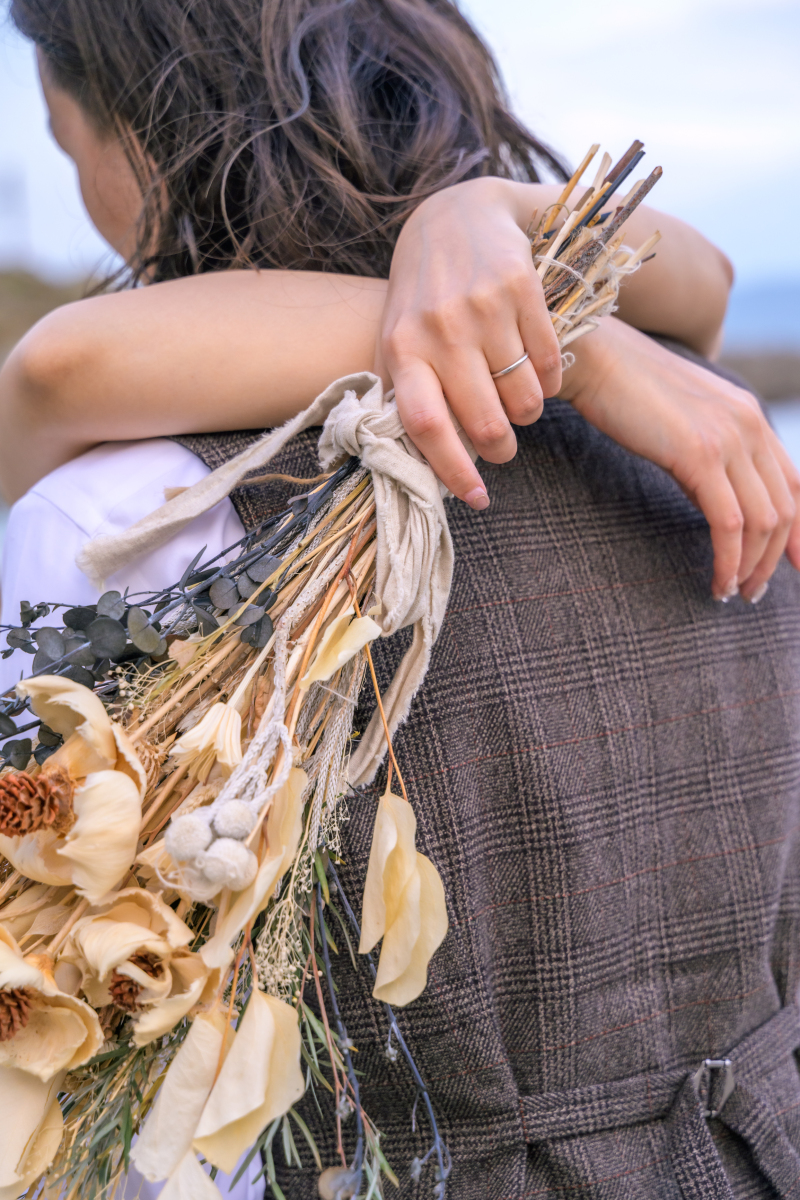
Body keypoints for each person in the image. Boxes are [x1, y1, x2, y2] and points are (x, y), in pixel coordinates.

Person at [2, 2, 800, 1197]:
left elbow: (105, 1075)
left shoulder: (127, 517)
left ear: (142, 132)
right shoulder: (706, 430)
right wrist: (532, 282)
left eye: (71, 151)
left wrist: (499, 263)